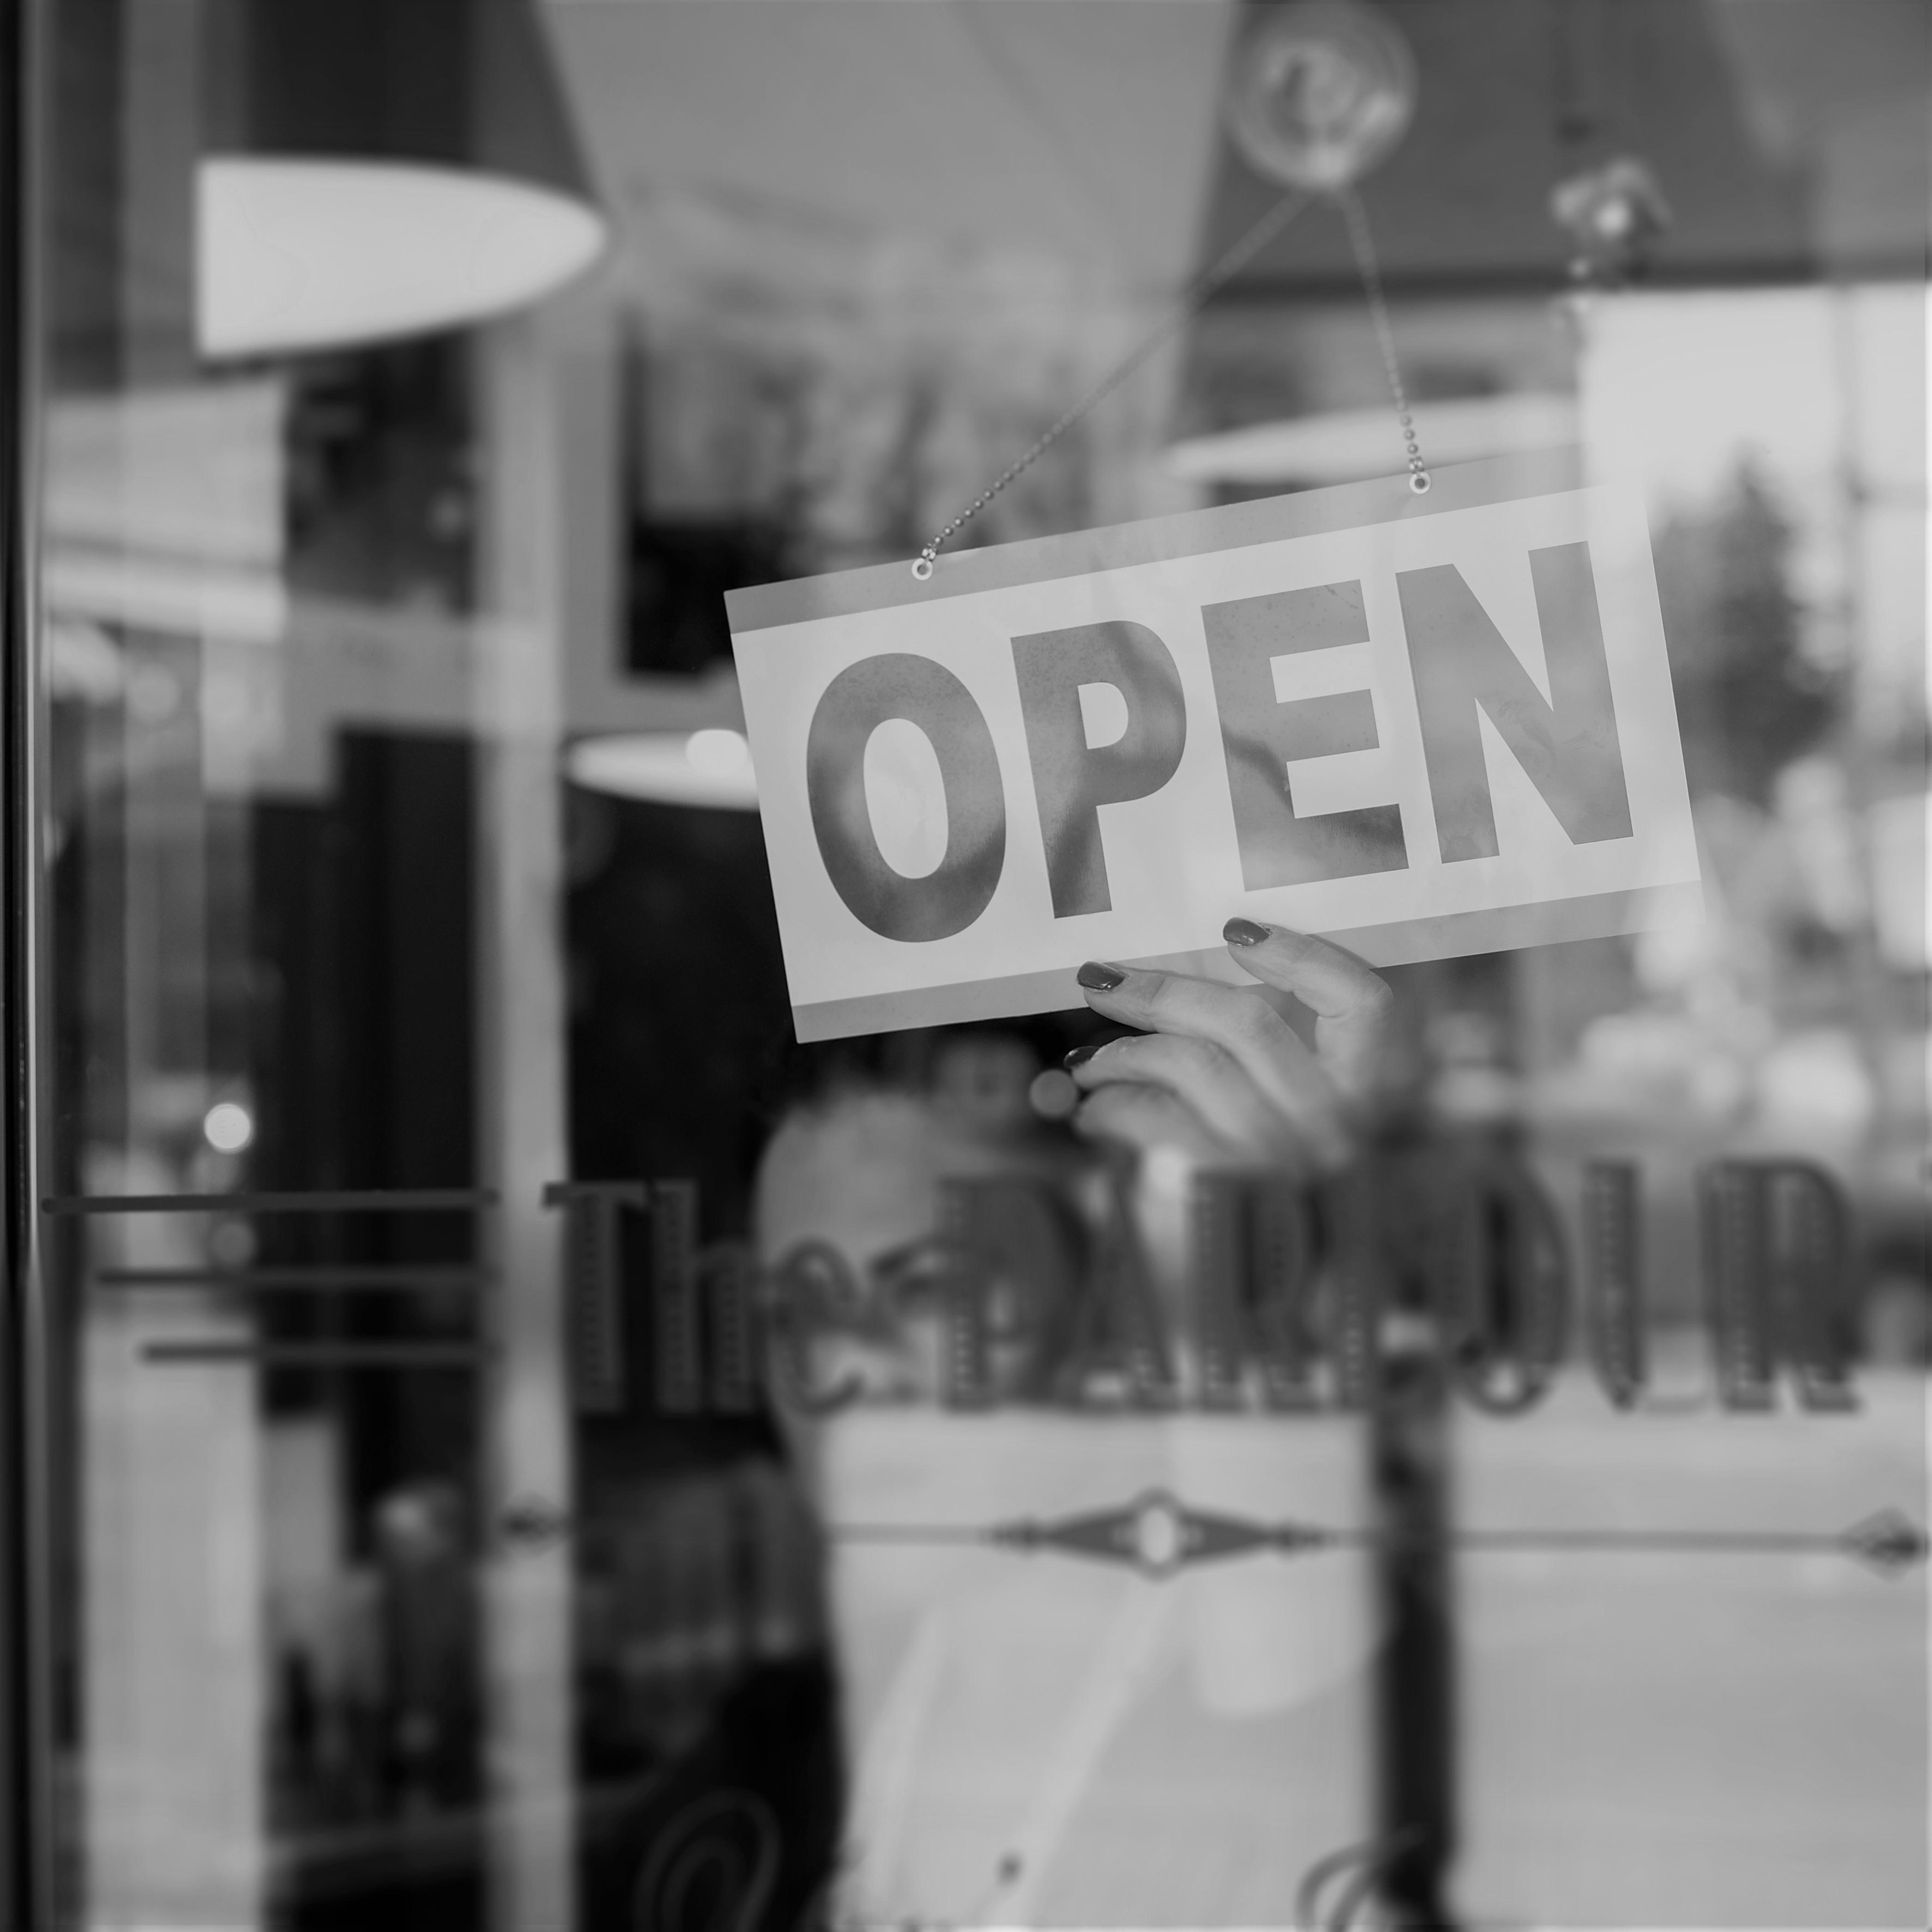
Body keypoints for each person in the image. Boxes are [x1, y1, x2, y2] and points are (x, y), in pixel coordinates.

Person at [754, 920, 1400, 1927]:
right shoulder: (751, 1786)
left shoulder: (1318, 1728)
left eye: (928, 1291)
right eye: (794, 1309)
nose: (840, 1371)